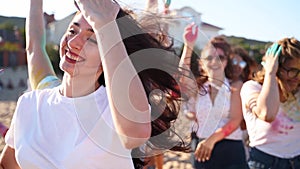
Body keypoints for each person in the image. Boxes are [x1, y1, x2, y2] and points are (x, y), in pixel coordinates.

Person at [0, 0, 191, 168]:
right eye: (72, 31)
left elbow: (135, 134)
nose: (74, 42)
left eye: (92, 39)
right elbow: (8, 164)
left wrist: (105, 25)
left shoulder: (116, 109)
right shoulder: (31, 103)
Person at [180, 23, 249, 169]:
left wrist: (211, 141)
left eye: (220, 57)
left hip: (231, 150)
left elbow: (235, 120)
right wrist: (188, 45)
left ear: (226, 61)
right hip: (202, 149)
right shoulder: (198, 88)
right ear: (202, 63)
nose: (214, 62)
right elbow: (182, 77)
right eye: (209, 57)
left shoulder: (235, 86)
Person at [240, 38, 300, 169]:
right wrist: (270, 73)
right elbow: (267, 113)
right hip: (264, 162)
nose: (297, 77)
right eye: (292, 70)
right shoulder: (252, 88)